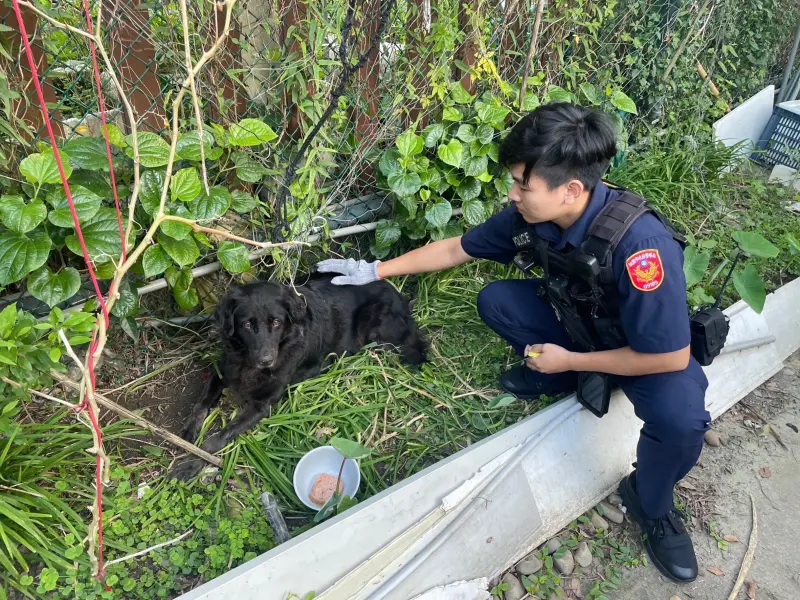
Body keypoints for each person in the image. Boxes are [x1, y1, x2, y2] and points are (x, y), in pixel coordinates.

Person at [317, 102, 710, 583]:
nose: (513, 192)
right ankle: (566, 376)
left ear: (570, 190)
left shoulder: (640, 246)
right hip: (581, 325)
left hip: (642, 350)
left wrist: (575, 356)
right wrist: (373, 271)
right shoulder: (531, 216)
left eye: (523, 183)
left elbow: (669, 353)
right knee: (497, 300)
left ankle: (651, 502)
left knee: (682, 422)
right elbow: (456, 247)